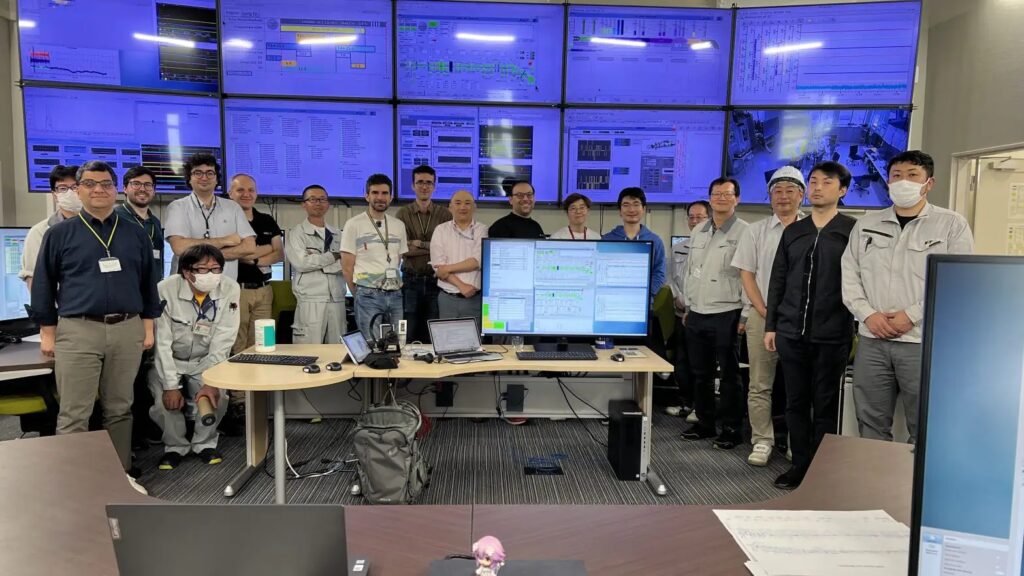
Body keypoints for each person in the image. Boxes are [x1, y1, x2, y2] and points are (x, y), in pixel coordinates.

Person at [30, 160, 159, 493]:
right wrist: (47, 331)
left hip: (127, 327)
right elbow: (43, 283)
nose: (98, 189)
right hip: (78, 329)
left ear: (115, 189)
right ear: (78, 190)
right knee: (75, 412)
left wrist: (148, 326)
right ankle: (72, 483)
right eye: (89, 184)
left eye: (105, 183)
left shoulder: (134, 233)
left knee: (120, 408)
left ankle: (118, 477)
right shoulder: (59, 233)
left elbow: (148, 282)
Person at [842, 150, 974, 444]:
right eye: (896, 176)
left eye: (912, 175)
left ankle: (914, 488)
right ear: (887, 181)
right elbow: (850, 276)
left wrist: (911, 315)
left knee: (925, 423)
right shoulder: (866, 224)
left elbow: (956, 281)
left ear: (929, 183)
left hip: (920, 342)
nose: (903, 182)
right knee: (870, 421)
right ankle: (875, 484)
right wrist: (868, 315)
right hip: (873, 340)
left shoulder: (951, 225)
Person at [764, 161, 857, 489]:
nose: (817, 187)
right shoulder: (794, 231)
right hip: (791, 332)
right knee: (795, 403)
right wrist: (771, 326)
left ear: (842, 190)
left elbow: (859, 282)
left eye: (826, 182)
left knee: (826, 405)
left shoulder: (851, 230)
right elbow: (778, 281)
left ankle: (823, 470)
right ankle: (800, 466)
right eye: (814, 181)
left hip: (832, 334)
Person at [731, 166, 805, 467]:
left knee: (798, 385)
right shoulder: (755, 231)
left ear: (801, 195)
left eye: (790, 190)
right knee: (760, 383)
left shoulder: (813, 229)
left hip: (800, 321)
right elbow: (746, 274)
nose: (783, 196)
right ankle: (762, 440)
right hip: (761, 316)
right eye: (777, 191)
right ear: (769, 196)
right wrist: (763, 310)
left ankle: (795, 440)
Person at [150, 244, 239, 470]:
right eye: (203, 270)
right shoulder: (165, 289)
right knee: (164, 403)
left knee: (219, 397)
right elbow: (162, 342)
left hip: (205, 360)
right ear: (187, 272)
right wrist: (171, 385)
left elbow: (224, 339)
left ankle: (205, 443)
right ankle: (175, 447)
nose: (211, 275)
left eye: (216, 269)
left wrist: (211, 382)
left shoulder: (230, 288)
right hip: (171, 359)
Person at [680, 177, 749, 450]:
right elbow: (690, 271)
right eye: (716, 193)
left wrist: (745, 314)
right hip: (697, 312)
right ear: (710, 198)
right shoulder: (699, 231)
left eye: (727, 194)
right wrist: (688, 306)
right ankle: (705, 423)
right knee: (701, 373)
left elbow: (748, 276)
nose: (721, 197)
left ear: (737, 199)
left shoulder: (745, 232)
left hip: (727, 311)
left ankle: (732, 429)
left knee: (730, 375)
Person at [114, 166, 166, 450]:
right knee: (128, 373)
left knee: (146, 368)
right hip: (126, 305)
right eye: (136, 184)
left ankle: (143, 427)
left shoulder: (155, 223)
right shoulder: (117, 219)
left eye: (148, 185)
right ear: (125, 188)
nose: (142, 189)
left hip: (149, 302)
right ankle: (130, 435)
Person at [164, 153, 256, 281]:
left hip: (224, 288)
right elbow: (179, 247)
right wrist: (225, 241)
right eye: (198, 173)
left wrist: (211, 257)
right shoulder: (177, 207)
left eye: (210, 173)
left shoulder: (233, 207)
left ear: (216, 179)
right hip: (187, 287)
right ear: (189, 178)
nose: (204, 177)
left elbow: (249, 246)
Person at [602, 187, 668, 359]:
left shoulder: (655, 240)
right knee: (609, 356)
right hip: (611, 311)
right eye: (626, 205)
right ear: (619, 211)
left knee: (641, 358)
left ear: (644, 209)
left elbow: (660, 273)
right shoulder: (607, 239)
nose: (631, 209)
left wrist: (644, 296)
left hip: (643, 311)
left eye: (636, 204)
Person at [341, 174, 409, 342]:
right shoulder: (353, 224)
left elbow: (398, 259)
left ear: (391, 197)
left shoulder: (398, 225)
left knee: (398, 342)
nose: (380, 197)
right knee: (371, 343)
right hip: (367, 294)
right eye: (375, 192)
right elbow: (347, 267)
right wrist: (358, 294)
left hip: (395, 294)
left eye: (385, 193)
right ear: (367, 196)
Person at [227, 173, 283, 355]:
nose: (246, 194)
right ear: (230, 193)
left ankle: (258, 381)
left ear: (256, 194)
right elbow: (231, 252)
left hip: (264, 291)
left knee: (263, 343)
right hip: (237, 291)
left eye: (251, 190)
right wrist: (266, 247)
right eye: (240, 190)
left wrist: (255, 259)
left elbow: (279, 253)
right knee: (237, 341)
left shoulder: (266, 219)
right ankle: (236, 383)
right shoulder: (225, 221)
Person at [397, 165, 451, 344]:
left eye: (429, 182)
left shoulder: (444, 214)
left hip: (436, 280)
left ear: (434, 186)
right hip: (411, 279)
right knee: (409, 331)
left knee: (434, 331)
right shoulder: (403, 213)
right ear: (413, 185)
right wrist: (433, 247)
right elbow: (403, 250)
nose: (424, 186)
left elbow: (447, 249)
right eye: (420, 182)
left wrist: (418, 244)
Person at [665, 200, 709, 421]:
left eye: (699, 217)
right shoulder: (677, 249)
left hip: (703, 315)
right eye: (691, 217)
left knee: (700, 364)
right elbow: (672, 278)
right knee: (681, 362)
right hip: (681, 315)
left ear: (709, 218)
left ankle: (700, 408)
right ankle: (686, 403)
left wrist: (693, 303)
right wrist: (678, 297)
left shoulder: (713, 247)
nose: (694, 221)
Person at [286, 184, 346, 345]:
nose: (318, 203)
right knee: (308, 349)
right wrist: (334, 255)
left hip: (337, 298)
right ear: (303, 204)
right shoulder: (296, 233)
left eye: (322, 199)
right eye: (312, 199)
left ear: (328, 204)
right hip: (310, 298)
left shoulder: (338, 234)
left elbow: (346, 263)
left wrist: (318, 260)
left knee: (338, 350)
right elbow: (301, 263)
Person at [431, 190, 488, 328]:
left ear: (474, 207)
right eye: (458, 203)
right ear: (450, 207)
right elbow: (438, 266)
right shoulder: (440, 230)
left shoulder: (483, 229)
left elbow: (476, 261)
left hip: (474, 299)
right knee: (446, 342)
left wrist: (447, 269)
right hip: (447, 298)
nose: (463, 207)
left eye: (467, 203)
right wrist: (461, 286)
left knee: (473, 344)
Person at [20, 164, 80, 290]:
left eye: (75, 187)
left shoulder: (99, 227)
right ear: (54, 194)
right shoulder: (39, 232)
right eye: (62, 188)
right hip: (62, 308)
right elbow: (34, 281)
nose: (70, 192)